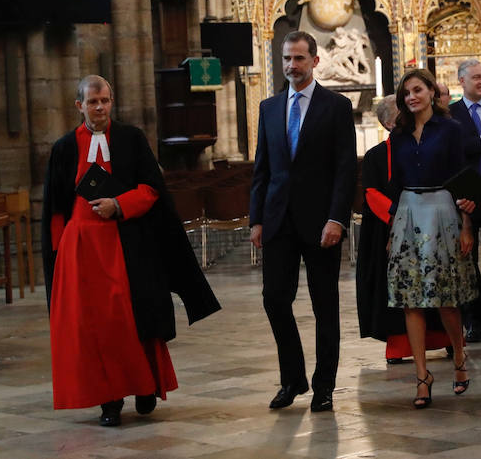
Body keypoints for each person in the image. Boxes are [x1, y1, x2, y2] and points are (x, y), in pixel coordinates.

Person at [42, 75, 220, 427]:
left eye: (105, 100)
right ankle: (109, 401)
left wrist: (119, 205)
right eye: (93, 102)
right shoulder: (64, 148)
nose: (100, 107)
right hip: (82, 252)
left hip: (128, 246)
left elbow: (152, 189)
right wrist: (60, 254)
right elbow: (55, 209)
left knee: (131, 319)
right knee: (96, 328)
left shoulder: (130, 139)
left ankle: (144, 385)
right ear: (79, 106)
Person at [250, 30, 356, 413]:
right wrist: (256, 220)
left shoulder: (336, 106)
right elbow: (263, 169)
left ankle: (323, 385)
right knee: (275, 299)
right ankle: (292, 378)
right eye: (286, 60)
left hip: (321, 223)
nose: (291, 66)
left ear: (315, 61)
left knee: (324, 305)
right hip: (278, 220)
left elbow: (345, 170)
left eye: (298, 59)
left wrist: (336, 219)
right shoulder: (269, 107)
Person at [387, 69, 479, 408]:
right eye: (406, 93)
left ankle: (458, 358)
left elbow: (462, 178)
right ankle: (422, 376)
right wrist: (391, 229)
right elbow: (395, 184)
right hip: (409, 211)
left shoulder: (451, 130)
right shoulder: (398, 134)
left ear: (430, 92)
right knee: (411, 299)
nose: (412, 97)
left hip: (443, 209)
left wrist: (467, 225)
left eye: (417, 90)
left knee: (446, 298)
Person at [355, 95, 453, 364]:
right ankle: (400, 346)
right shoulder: (377, 156)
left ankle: (446, 340)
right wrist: (399, 219)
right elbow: (372, 193)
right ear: (388, 122)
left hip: (431, 226)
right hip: (392, 230)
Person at [448, 59, 481, 343]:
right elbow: (453, 150)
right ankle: (472, 319)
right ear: (462, 81)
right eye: (476, 77)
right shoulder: (450, 114)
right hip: (464, 193)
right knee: (466, 261)